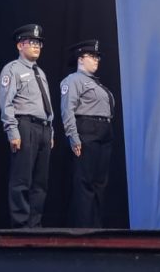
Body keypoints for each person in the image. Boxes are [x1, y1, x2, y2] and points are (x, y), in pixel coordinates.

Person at [0, 23, 54, 228]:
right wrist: (12, 131)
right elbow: (6, 104)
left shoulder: (41, 73)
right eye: (32, 42)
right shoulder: (12, 70)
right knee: (21, 180)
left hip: (44, 128)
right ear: (20, 45)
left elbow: (46, 104)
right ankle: (21, 226)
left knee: (40, 182)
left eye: (39, 43)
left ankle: (35, 224)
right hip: (25, 126)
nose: (37, 46)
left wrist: (51, 130)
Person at [59, 39, 115, 228]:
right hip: (87, 131)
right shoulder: (73, 80)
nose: (96, 60)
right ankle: (84, 230)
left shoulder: (97, 84)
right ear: (80, 59)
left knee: (100, 183)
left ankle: (97, 228)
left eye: (97, 56)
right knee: (85, 184)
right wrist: (73, 137)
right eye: (92, 56)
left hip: (103, 132)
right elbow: (67, 110)